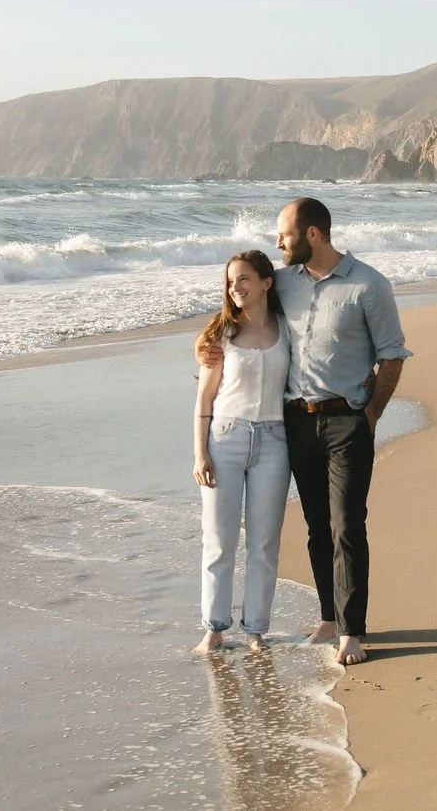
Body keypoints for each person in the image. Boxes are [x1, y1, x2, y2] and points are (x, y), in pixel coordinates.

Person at [200, 196, 409, 666]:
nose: (277, 242)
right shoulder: (285, 284)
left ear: (312, 234)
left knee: (347, 525)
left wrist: (370, 415)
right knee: (317, 528)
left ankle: (352, 631)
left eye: (285, 234)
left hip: (347, 420)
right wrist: (213, 358)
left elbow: (392, 354)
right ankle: (330, 619)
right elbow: (243, 312)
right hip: (294, 420)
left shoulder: (368, 286)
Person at [192, 250, 293, 654]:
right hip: (225, 439)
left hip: (275, 441)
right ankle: (214, 629)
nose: (235, 288)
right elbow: (204, 397)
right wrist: (200, 453)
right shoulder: (220, 335)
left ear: (267, 282)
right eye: (231, 281)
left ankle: (255, 631)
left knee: (265, 542)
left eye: (244, 279)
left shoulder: (288, 329)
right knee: (219, 540)